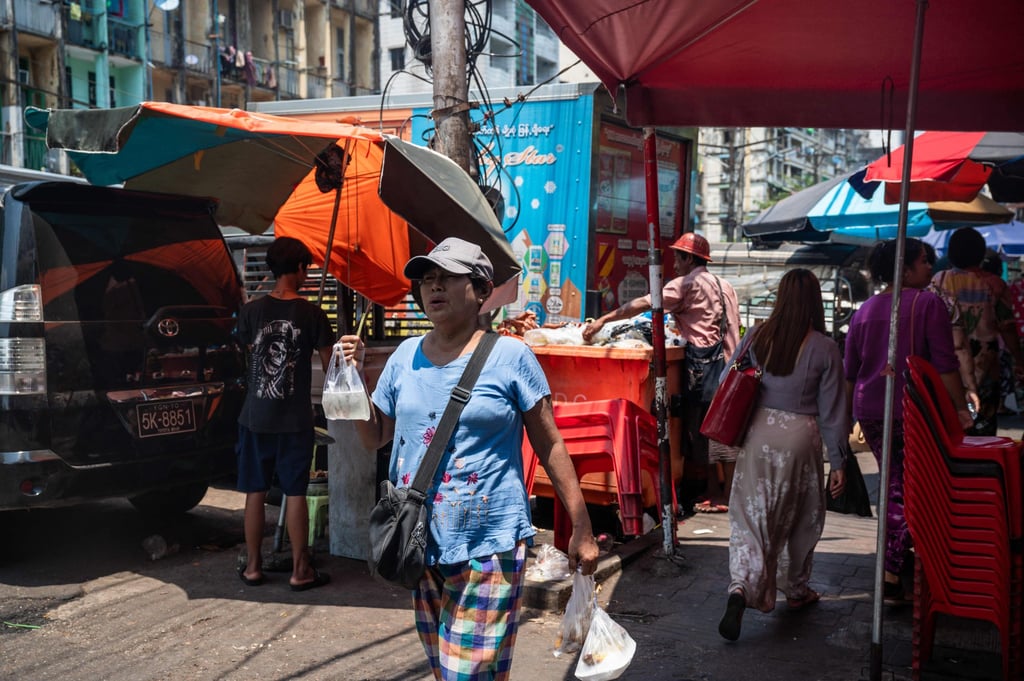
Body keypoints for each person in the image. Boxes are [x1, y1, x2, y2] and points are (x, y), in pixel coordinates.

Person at [339, 237, 599, 681]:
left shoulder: (511, 356)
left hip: (489, 546)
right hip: (418, 542)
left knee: (467, 675)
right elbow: (374, 437)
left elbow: (550, 443)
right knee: (445, 669)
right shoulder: (404, 357)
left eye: (447, 278)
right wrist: (354, 377)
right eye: (426, 280)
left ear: (481, 291)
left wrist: (581, 527)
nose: (433, 288)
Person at [716, 269, 848, 642]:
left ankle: (740, 586)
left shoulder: (758, 335)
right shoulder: (825, 347)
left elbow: (729, 376)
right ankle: (797, 589)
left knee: (750, 517)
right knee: (803, 516)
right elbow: (834, 410)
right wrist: (839, 462)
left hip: (758, 434)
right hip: (801, 440)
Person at [845, 238, 972, 602]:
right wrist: (960, 408)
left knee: (895, 482)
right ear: (904, 268)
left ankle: (897, 559)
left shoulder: (865, 309)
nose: (929, 268)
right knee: (904, 486)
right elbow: (946, 365)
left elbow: (849, 372)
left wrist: (844, 418)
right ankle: (890, 570)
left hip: (870, 409)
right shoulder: (927, 303)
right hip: (911, 409)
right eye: (923, 262)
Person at [581, 232, 740, 514]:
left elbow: (643, 304)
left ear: (689, 258)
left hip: (706, 369)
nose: (674, 264)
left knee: (705, 431)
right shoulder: (725, 284)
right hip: (731, 366)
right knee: (723, 430)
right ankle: (724, 491)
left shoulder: (686, 284)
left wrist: (604, 319)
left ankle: (718, 494)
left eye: (678, 258)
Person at [236, 237, 335, 591]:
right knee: (295, 492)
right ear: (300, 268)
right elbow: (331, 368)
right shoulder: (313, 314)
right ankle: (299, 570)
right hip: (295, 419)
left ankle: (252, 567)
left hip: (254, 416)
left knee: (255, 491)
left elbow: (248, 357)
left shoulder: (250, 312)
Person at [930, 228, 1024, 435]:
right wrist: (1018, 358)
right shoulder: (995, 284)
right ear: (981, 253)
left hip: (947, 362)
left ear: (952, 253)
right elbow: (1007, 326)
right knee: (983, 423)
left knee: (950, 422)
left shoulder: (940, 280)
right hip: (986, 363)